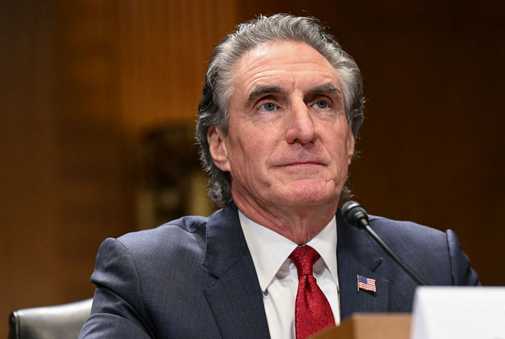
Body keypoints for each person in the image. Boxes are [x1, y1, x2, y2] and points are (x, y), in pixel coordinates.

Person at [79, 14, 479, 339]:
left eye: (322, 103)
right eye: (269, 106)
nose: (304, 130)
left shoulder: (429, 266)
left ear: (350, 139)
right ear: (220, 144)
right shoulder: (151, 275)